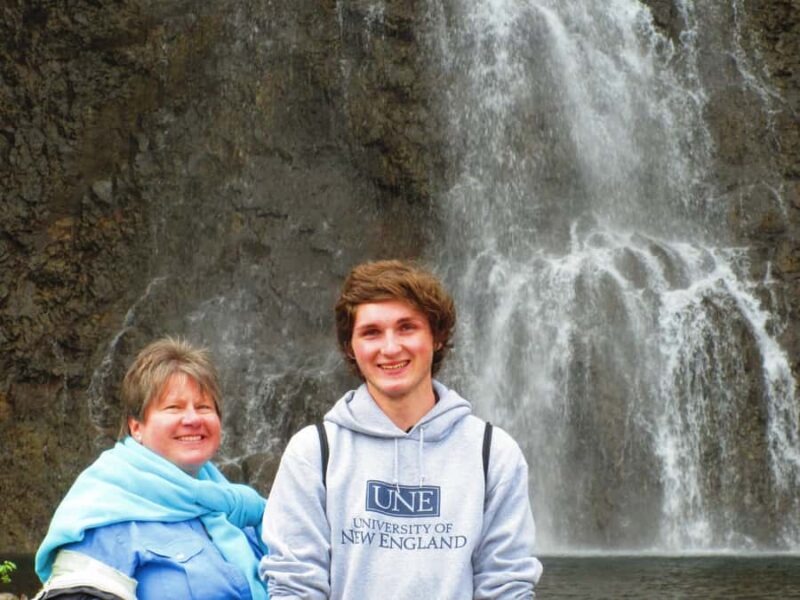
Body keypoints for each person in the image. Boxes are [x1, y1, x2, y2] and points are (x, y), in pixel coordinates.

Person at [260, 259, 543, 598]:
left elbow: (506, 586)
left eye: (407, 327)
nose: (390, 348)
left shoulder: (493, 453)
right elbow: (295, 586)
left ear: (436, 336)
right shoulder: (314, 453)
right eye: (371, 332)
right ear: (351, 346)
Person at [34, 337, 268, 600]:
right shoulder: (105, 514)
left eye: (203, 407)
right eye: (173, 408)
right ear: (136, 427)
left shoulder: (237, 510)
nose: (192, 419)